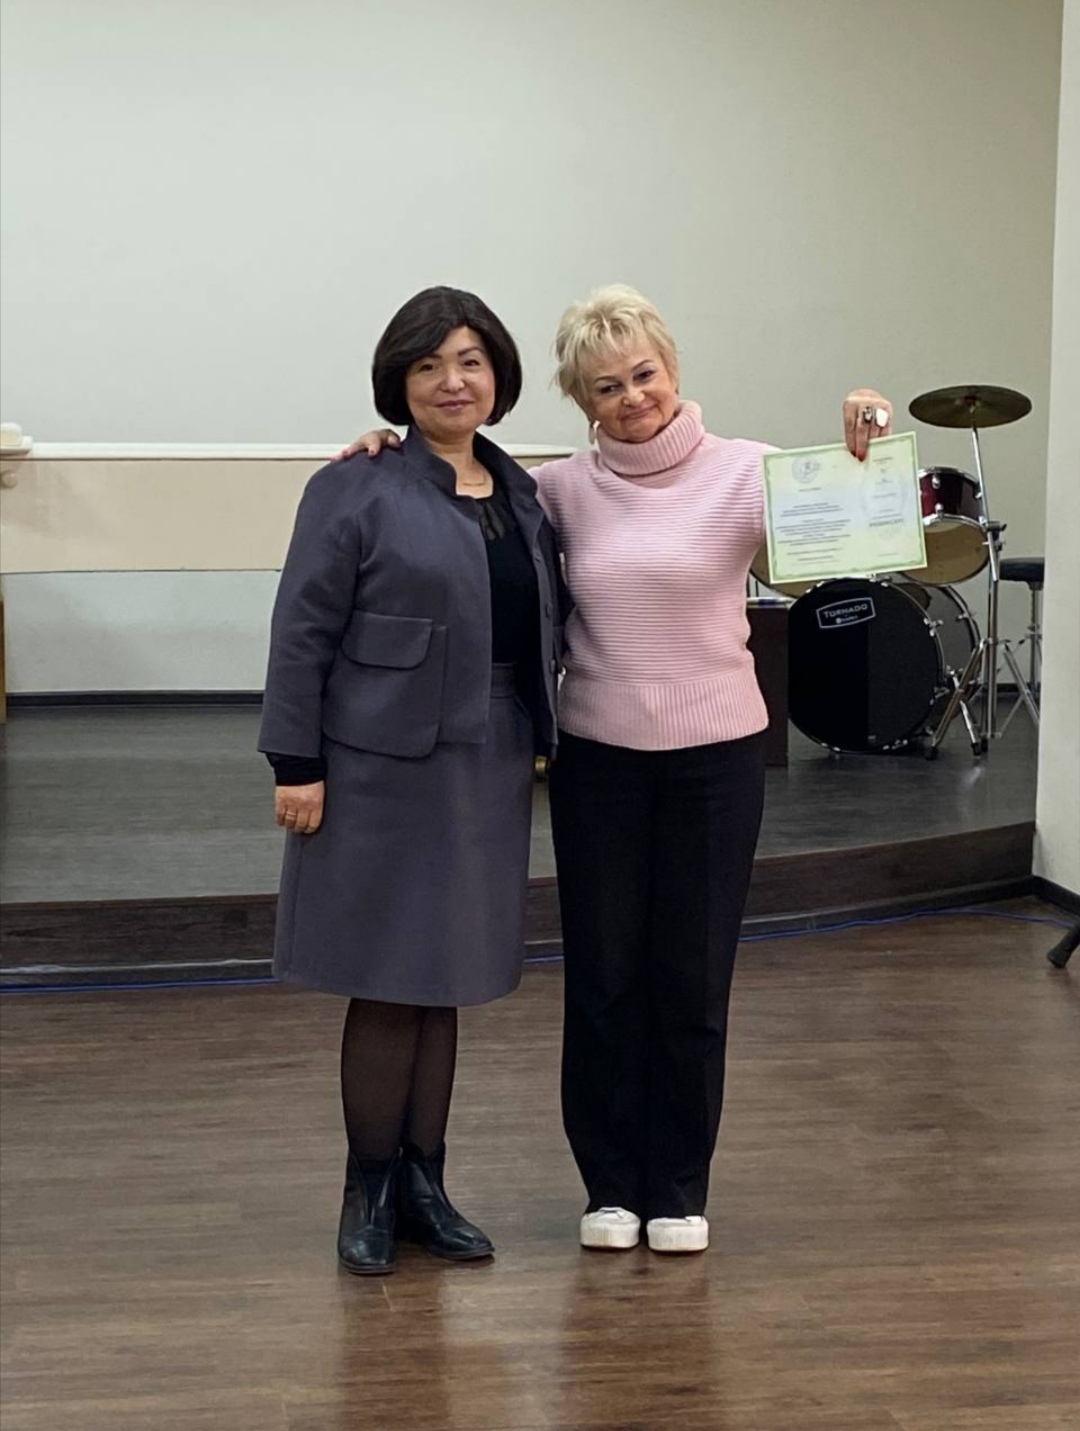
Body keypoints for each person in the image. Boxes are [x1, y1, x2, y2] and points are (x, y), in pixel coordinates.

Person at [340, 284, 892, 1256]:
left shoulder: (749, 471)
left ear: (673, 370)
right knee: (602, 981)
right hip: (598, 761)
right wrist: (381, 448)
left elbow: (852, 541)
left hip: (717, 761)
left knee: (693, 981)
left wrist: (868, 445)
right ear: (580, 400)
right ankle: (609, 1187)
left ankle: (676, 1188)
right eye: (607, 386)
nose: (633, 397)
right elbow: (448, 489)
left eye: (644, 374)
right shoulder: (551, 492)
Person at [260, 286, 564, 1276]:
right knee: (390, 981)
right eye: (429, 364)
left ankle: (427, 1185)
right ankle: (370, 1190)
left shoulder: (522, 493)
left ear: (499, 376)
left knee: (446, 980)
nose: (452, 381)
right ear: (399, 381)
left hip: (490, 757)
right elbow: (302, 629)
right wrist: (296, 762)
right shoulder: (355, 487)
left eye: (470, 361)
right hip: (378, 766)